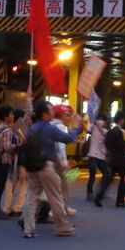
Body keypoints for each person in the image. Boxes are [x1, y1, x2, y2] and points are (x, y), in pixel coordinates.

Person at [22, 102, 82, 238]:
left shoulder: (32, 128)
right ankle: (63, 227)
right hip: (45, 166)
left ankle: (28, 229)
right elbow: (67, 138)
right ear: (44, 114)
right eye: (50, 110)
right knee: (56, 197)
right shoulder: (49, 128)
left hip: (31, 166)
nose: (53, 112)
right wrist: (77, 128)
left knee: (31, 197)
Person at [0, 105, 22, 220]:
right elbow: (7, 146)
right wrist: (18, 145)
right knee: (0, 187)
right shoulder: (7, 130)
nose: (13, 116)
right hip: (3, 160)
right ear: (5, 116)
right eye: (11, 114)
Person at [95, 110, 125, 208]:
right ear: (121, 120)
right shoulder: (121, 132)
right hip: (121, 160)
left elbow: (107, 144)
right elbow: (121, 145)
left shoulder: (110, 132)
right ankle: (120, 201)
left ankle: (99, 196)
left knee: (108, 179)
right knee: (124, 180)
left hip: (112, 159)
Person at [3, 107, 31, 217]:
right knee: (23, 184)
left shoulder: (9, 128)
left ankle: (7, 207)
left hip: (13, 161)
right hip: (22, 161)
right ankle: (17, 207)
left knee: (10, 184)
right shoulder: (22, 130)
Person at [51, 104, 78, 215]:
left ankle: (64, 208)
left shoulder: (51, 124)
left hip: (50, 160)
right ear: (61, 116)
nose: (69, 118)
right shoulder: (60, 127)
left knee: (62, 185)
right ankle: (58, 210)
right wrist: (64, 162)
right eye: (67, 115)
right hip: (57, 162)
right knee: (59, 186)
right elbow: (60, 146)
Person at [86, 114, 109, 201]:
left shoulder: (104, 131)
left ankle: (95, 192)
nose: (101, 122)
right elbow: (88, 129)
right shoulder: (93, 127)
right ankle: (91, 193)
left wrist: (95, 123)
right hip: (94, 155)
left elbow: (88, 129)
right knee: (103, 174)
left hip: (98, 156)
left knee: (96, 174)